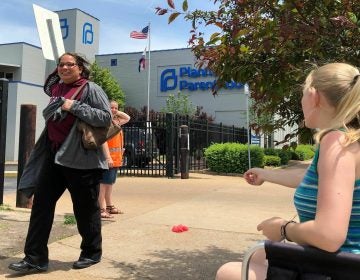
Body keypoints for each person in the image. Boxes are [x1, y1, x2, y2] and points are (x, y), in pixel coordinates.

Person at [215, 62, 360, 280]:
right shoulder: (350, 139)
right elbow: (322, 180)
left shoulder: (336, 142)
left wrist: (283, 228)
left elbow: (329, 236)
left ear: (313, 95)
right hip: (346, 263)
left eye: (302, 94)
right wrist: (267, 174)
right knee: (258, 257)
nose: (301, 101)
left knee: (228, 273)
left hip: (342, 268)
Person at [8, 52, 112, 273]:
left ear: (80, 68)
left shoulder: (90, 89)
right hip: (54, 157)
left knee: (85, 210)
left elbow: (105, 118)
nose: (64, 68)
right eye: (61, 65)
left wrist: (73, 106)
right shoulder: (57, 89)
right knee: (41, 206)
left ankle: (91, 253)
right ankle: (35, 258)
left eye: (70, 64)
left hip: (82, 161)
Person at [99, 101, 130, 219]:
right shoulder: (105, 123)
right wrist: (108, 157)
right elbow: (104, 141)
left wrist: (116, 112)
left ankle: (109, 206)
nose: (113, 109)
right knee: (103, 184)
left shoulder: (116, 122)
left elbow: (127, 118)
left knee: (109, 184)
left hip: (116, 159)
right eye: (111, 107)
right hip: (108, 159)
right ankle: (101, 209)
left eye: (115, 108)